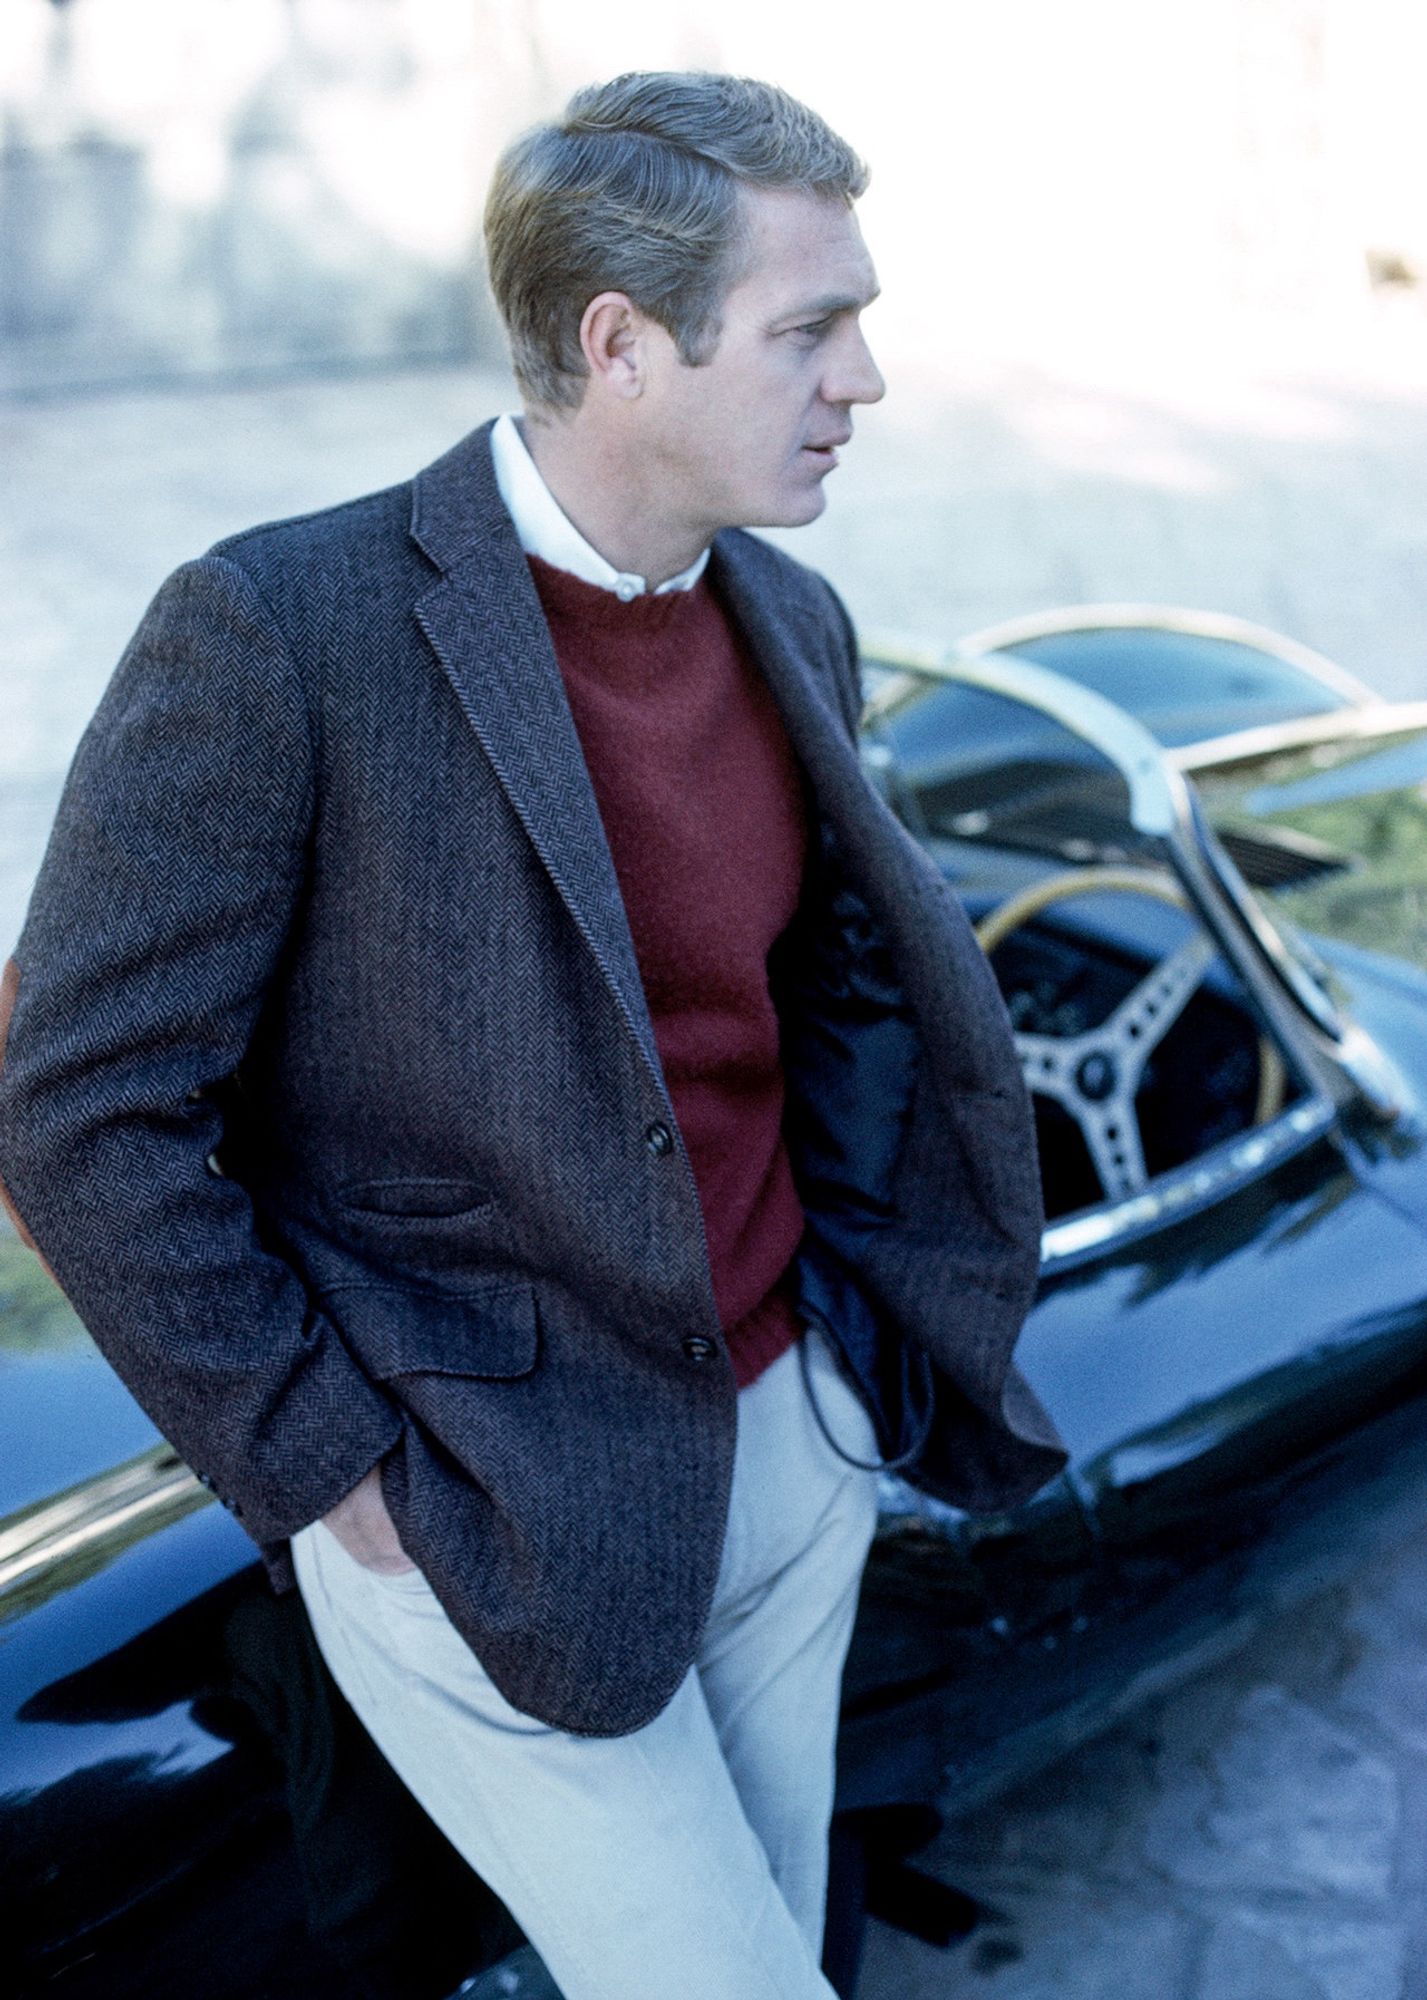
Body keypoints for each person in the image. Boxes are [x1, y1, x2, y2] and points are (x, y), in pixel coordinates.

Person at [0, 71, 1064, 2000]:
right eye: (813, 327)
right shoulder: (279, 632)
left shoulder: (791, 620)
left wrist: (840, 1362)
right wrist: (337, 1474)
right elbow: (78, 1106)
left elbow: (824, 997)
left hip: (788, 1447)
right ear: (619, 343)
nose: (865, 380)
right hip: (478, 1498)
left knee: (767, 1930)